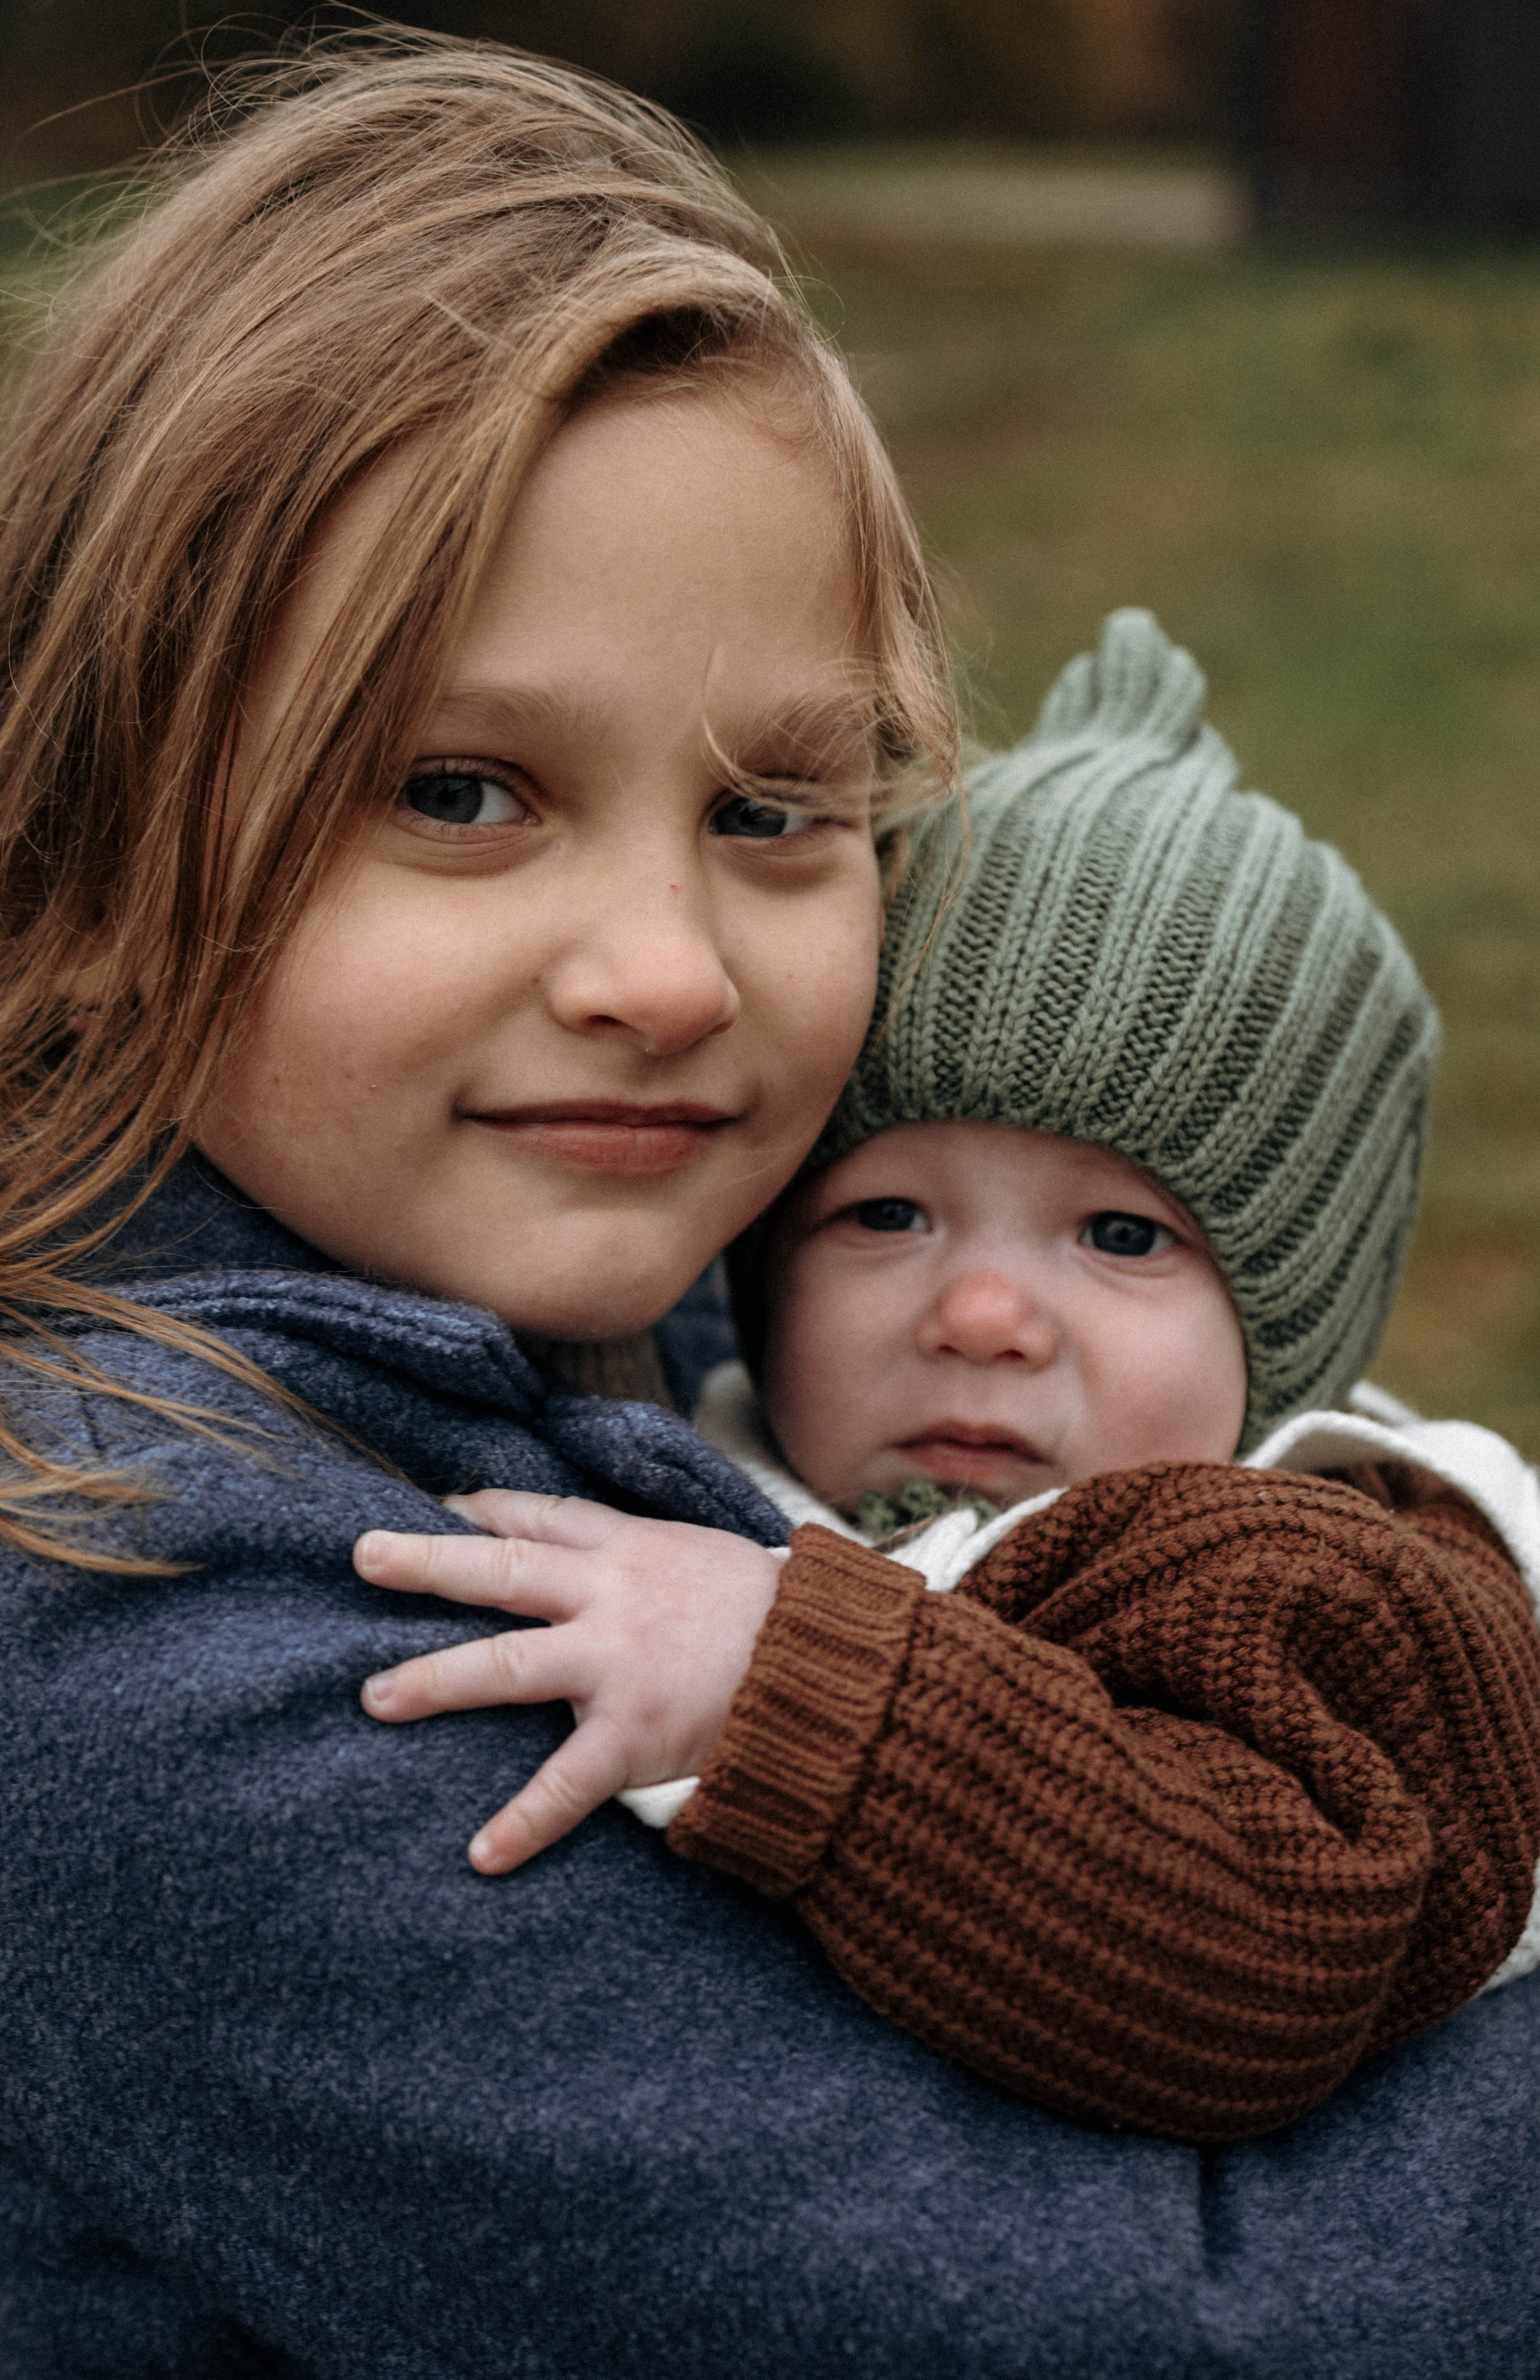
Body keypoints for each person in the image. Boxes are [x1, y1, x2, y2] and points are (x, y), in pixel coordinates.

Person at [0, 33, 1539, 2380]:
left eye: (779, 810)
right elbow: (1167, 2330)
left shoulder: (684, 1315)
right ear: (95, 838)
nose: (668, 976)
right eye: (464, 790)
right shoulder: (122, 1633)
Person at [355, 611, 1540, 2143]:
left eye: (1119, 1238)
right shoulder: (709, 1420)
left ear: (1290, 1336)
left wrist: (785, 1688)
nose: (981, 1312)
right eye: (885, 1216)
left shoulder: (1321, 1577)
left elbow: (1273, 1962)